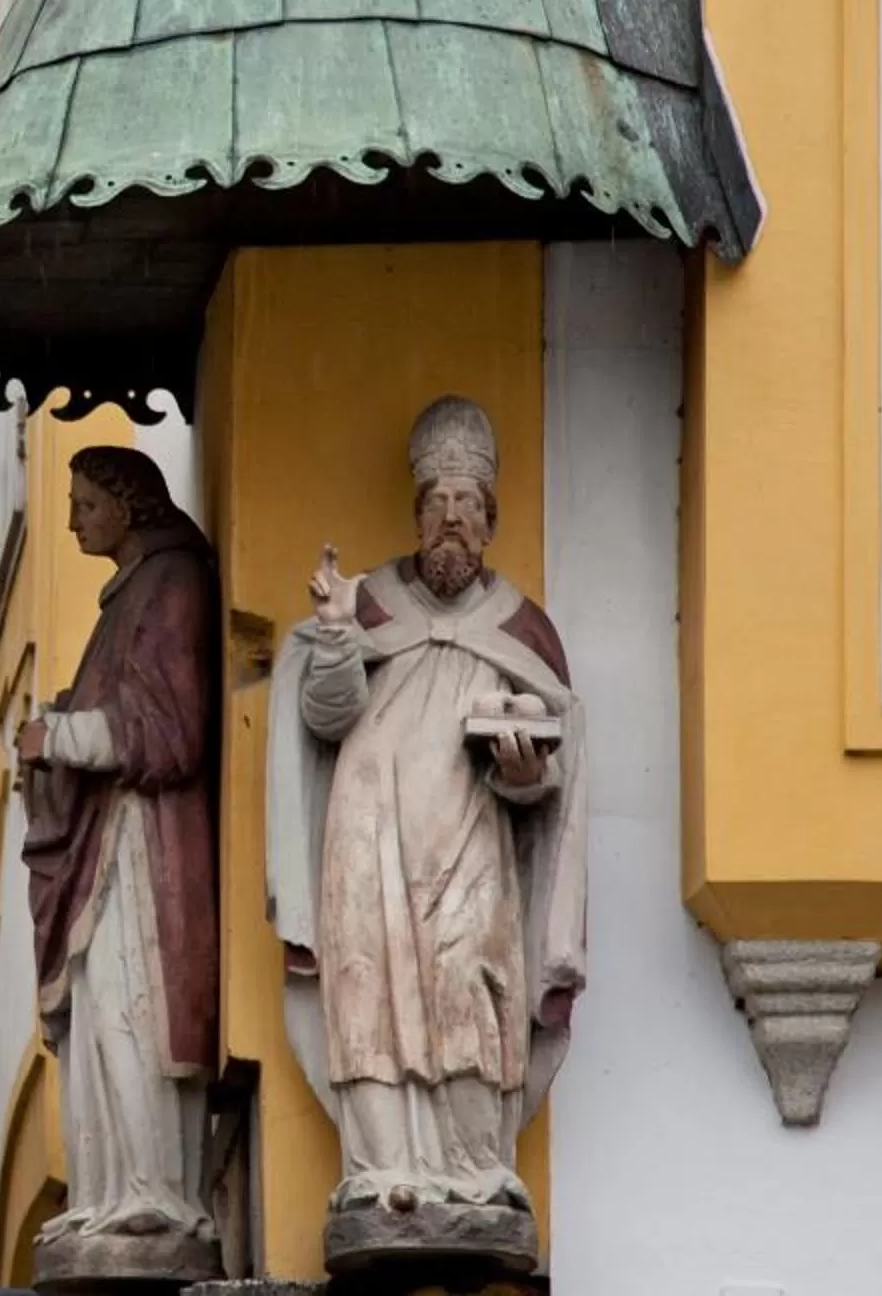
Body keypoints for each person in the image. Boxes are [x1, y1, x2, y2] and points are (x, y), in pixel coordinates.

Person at [264, 395, 583, 1264]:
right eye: (437, 503)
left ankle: (478, 1172)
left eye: (467, 506)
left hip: (472, 842)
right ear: (417, 513)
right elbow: (324, 719)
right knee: (367, 996)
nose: (451, 520)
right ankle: (381, 1169)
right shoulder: (364, 606)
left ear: (489, 520)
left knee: (471, 993)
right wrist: (333, 641)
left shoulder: (520, 629)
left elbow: (550, 776)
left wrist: (526, 773)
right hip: (365, 836)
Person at [15, 446, 222, 1281]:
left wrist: (62, 736)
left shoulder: (172, 585)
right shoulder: (130, 594)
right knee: (100, 1012)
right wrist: (61, 734)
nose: (71, 520)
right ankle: (107, 1189)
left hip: (146, 843)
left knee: (135, 1008)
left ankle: (157, 1192)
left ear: (129, 504)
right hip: (111, 839)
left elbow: (171, 734)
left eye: (85, 502)